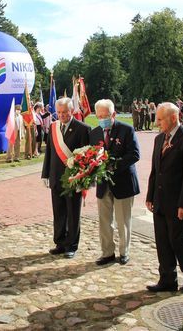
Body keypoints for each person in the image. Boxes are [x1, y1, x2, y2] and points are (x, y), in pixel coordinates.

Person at [145, 102, 183, 294]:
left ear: (173, 118)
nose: (157, 122)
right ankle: (167, 278)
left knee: (178, 240)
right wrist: (150, 195)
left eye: (160, 119)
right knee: (162, 241)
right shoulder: (159, 139)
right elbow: (155, 170)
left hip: (178, 203)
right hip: (160, 201)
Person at [90, 99, 140, 266]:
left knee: (122, 220)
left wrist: (113, 165)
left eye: (105, 115)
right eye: (99, 116)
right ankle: (107, 252)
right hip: (103, 184)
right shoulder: (95, 133)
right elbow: (91, 156)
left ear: (113, 114)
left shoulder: (126, 129)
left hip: (123, 182)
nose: (102, 118)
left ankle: (124, 251)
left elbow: (134, 154)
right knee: (104, 221)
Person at [41, 98, 90, 259]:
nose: (61, 115)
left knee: (73, 213)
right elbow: (49, 153)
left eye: (65, 112)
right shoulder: (54, 127)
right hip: (56, 176)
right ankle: (60, 242)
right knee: (59, 211)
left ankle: (71, 245)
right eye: (59, 112)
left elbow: (87, 157)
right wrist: (45, 174)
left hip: (73, 178)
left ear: (71, 111)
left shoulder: (83, 129)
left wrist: (82, 180)